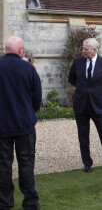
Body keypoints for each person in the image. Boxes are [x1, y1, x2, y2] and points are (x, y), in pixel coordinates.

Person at [0, 36, 42, 210]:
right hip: (24, 124)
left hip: (2, 125)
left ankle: (4, 202)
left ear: (5, 49)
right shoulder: (28, 69)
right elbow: (37, 98)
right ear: (20, 50)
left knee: (3, 165)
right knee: (26, 163)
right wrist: (28, 111)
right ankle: (30, 202)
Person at [68, 38, 102, 172]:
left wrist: (99, 89)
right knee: (83, 135)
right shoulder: (78, 62)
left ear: (95, 50)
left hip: (98, 104)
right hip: (81, 104)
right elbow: (71, 79)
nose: (83, 51)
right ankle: (87, 164)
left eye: (86, 49)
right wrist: (83, 89)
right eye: (83, 49)